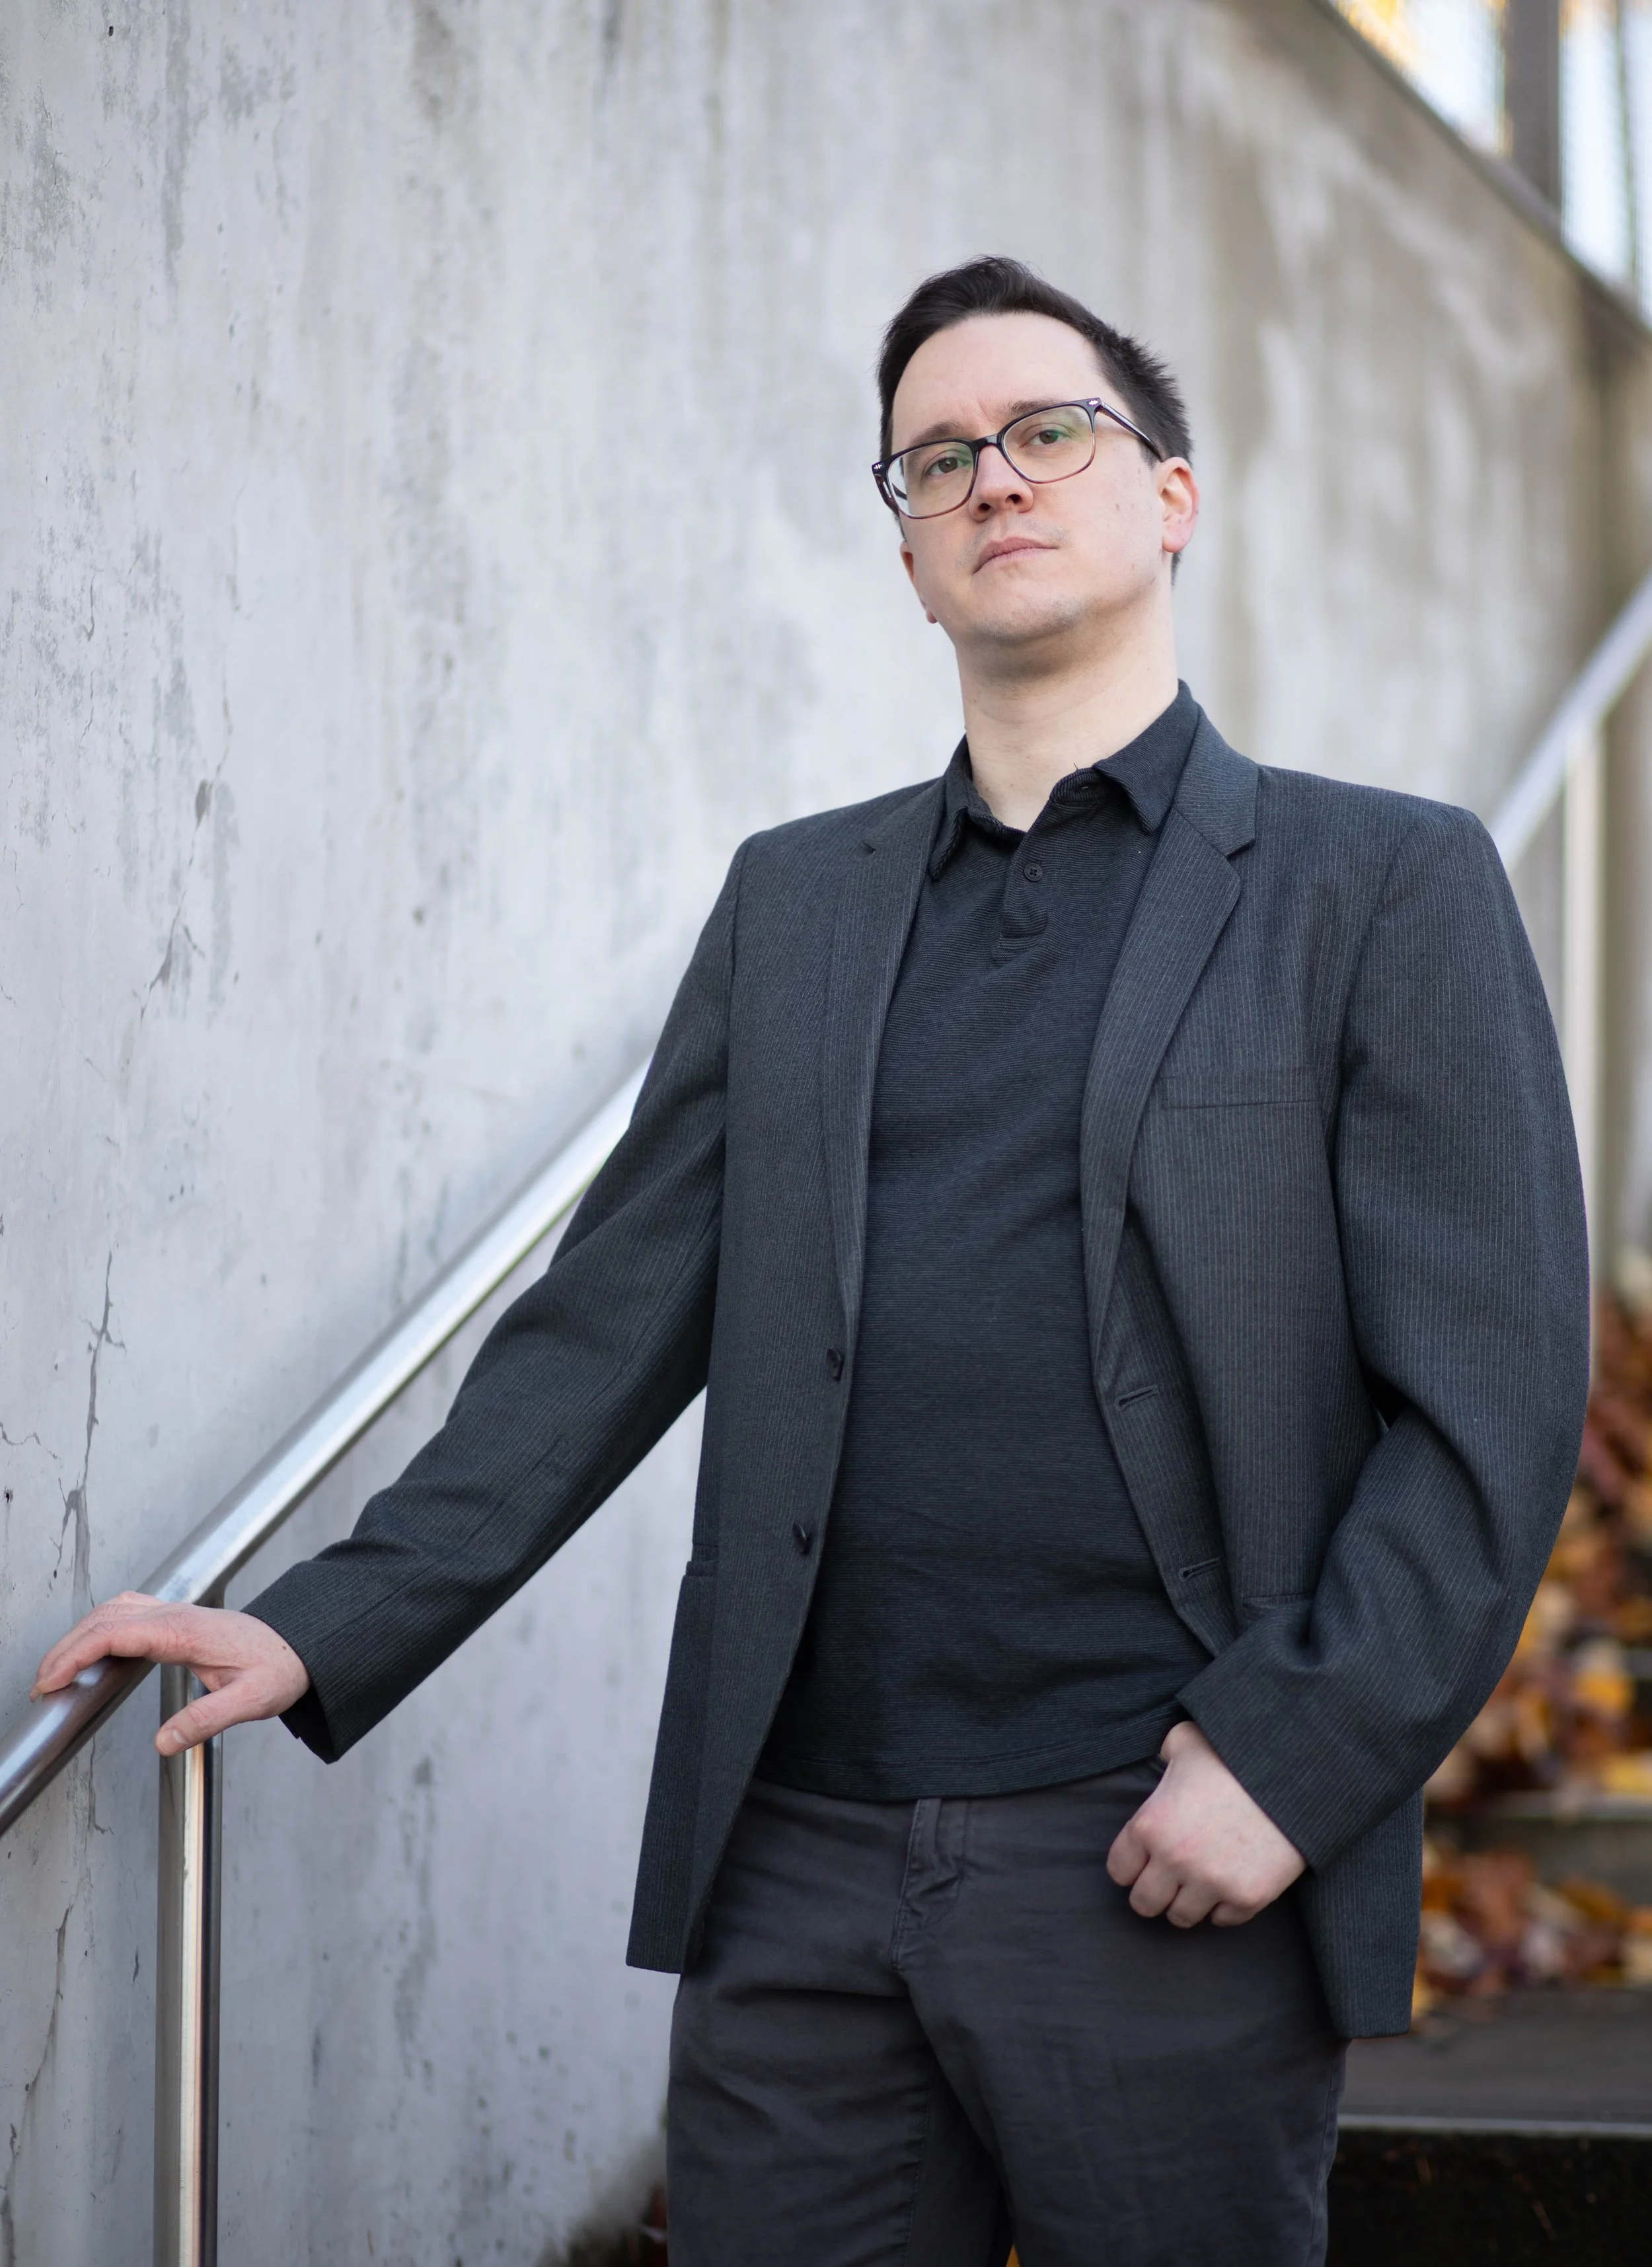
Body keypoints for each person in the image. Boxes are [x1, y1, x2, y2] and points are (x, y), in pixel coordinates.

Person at [36, 256, 1590, 2265]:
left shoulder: (1377, 884)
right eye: (935, 459)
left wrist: (1291, 1760)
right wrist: (330, 1620)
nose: (993, 478)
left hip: (1156, 1844)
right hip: (796, 1851)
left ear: (1170, 496)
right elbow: (606, 1320)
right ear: (911, 560)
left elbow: (1488, 1393)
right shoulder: (800, 901)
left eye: (1050, 431)